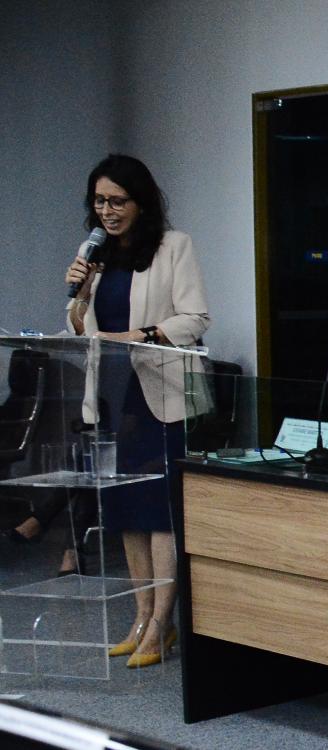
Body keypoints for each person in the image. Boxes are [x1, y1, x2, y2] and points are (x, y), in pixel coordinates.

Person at [59, 154, 210, 669]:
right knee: (126, 511)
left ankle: (163, 622)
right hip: (113, 393)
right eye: (99, 201)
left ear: (140, 202)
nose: (107, 210)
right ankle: (141, 616)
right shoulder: (95, 258)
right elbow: (80, 329)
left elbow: (196, 317)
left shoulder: (173, 246)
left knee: (158, 511)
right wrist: (79, 295)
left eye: (117, 201)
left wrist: (143, 334)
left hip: (161, 394)